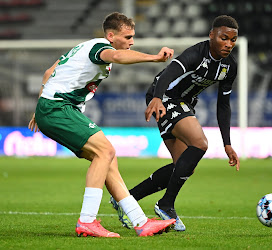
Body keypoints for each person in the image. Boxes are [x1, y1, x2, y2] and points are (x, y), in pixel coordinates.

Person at [28, 12, 176, 238]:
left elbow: (49, 73)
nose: (131, 42)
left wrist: (39, 109)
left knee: (108, 159)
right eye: (127, 37)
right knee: (105, 151)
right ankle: (87, 221)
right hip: (59, 108)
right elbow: (116, 57)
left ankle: (140, 222)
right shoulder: (100, 48)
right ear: (111, 35)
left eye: (132, 37)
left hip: (52, 108)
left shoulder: (82, 48)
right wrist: (155, 58)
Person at [111, 15, 240, 231]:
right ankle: (166, 205)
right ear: (211, 35)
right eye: (223, 38)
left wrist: (227, 143)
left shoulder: (229, 67)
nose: (228, 44)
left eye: (233, 40)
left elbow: (223, 106)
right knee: (199, 144)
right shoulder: (197, 54)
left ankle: (127, 199)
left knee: (183, 164)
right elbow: (167, 74)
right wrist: (157, 98)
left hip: (185, 103)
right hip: (164, 96)